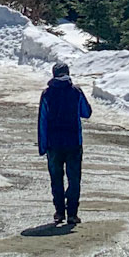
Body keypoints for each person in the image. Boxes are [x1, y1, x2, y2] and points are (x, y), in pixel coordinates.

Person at [37, 59, 91, 227]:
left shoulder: (47, 94)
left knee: (56, 178)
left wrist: (42, 145)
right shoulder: (76, 91)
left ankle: (59, 212)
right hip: (74, 142)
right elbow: (86, 112)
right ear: (68, 74)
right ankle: (73, 214)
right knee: (74, 178)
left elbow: (42, 121)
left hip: (54, 144)